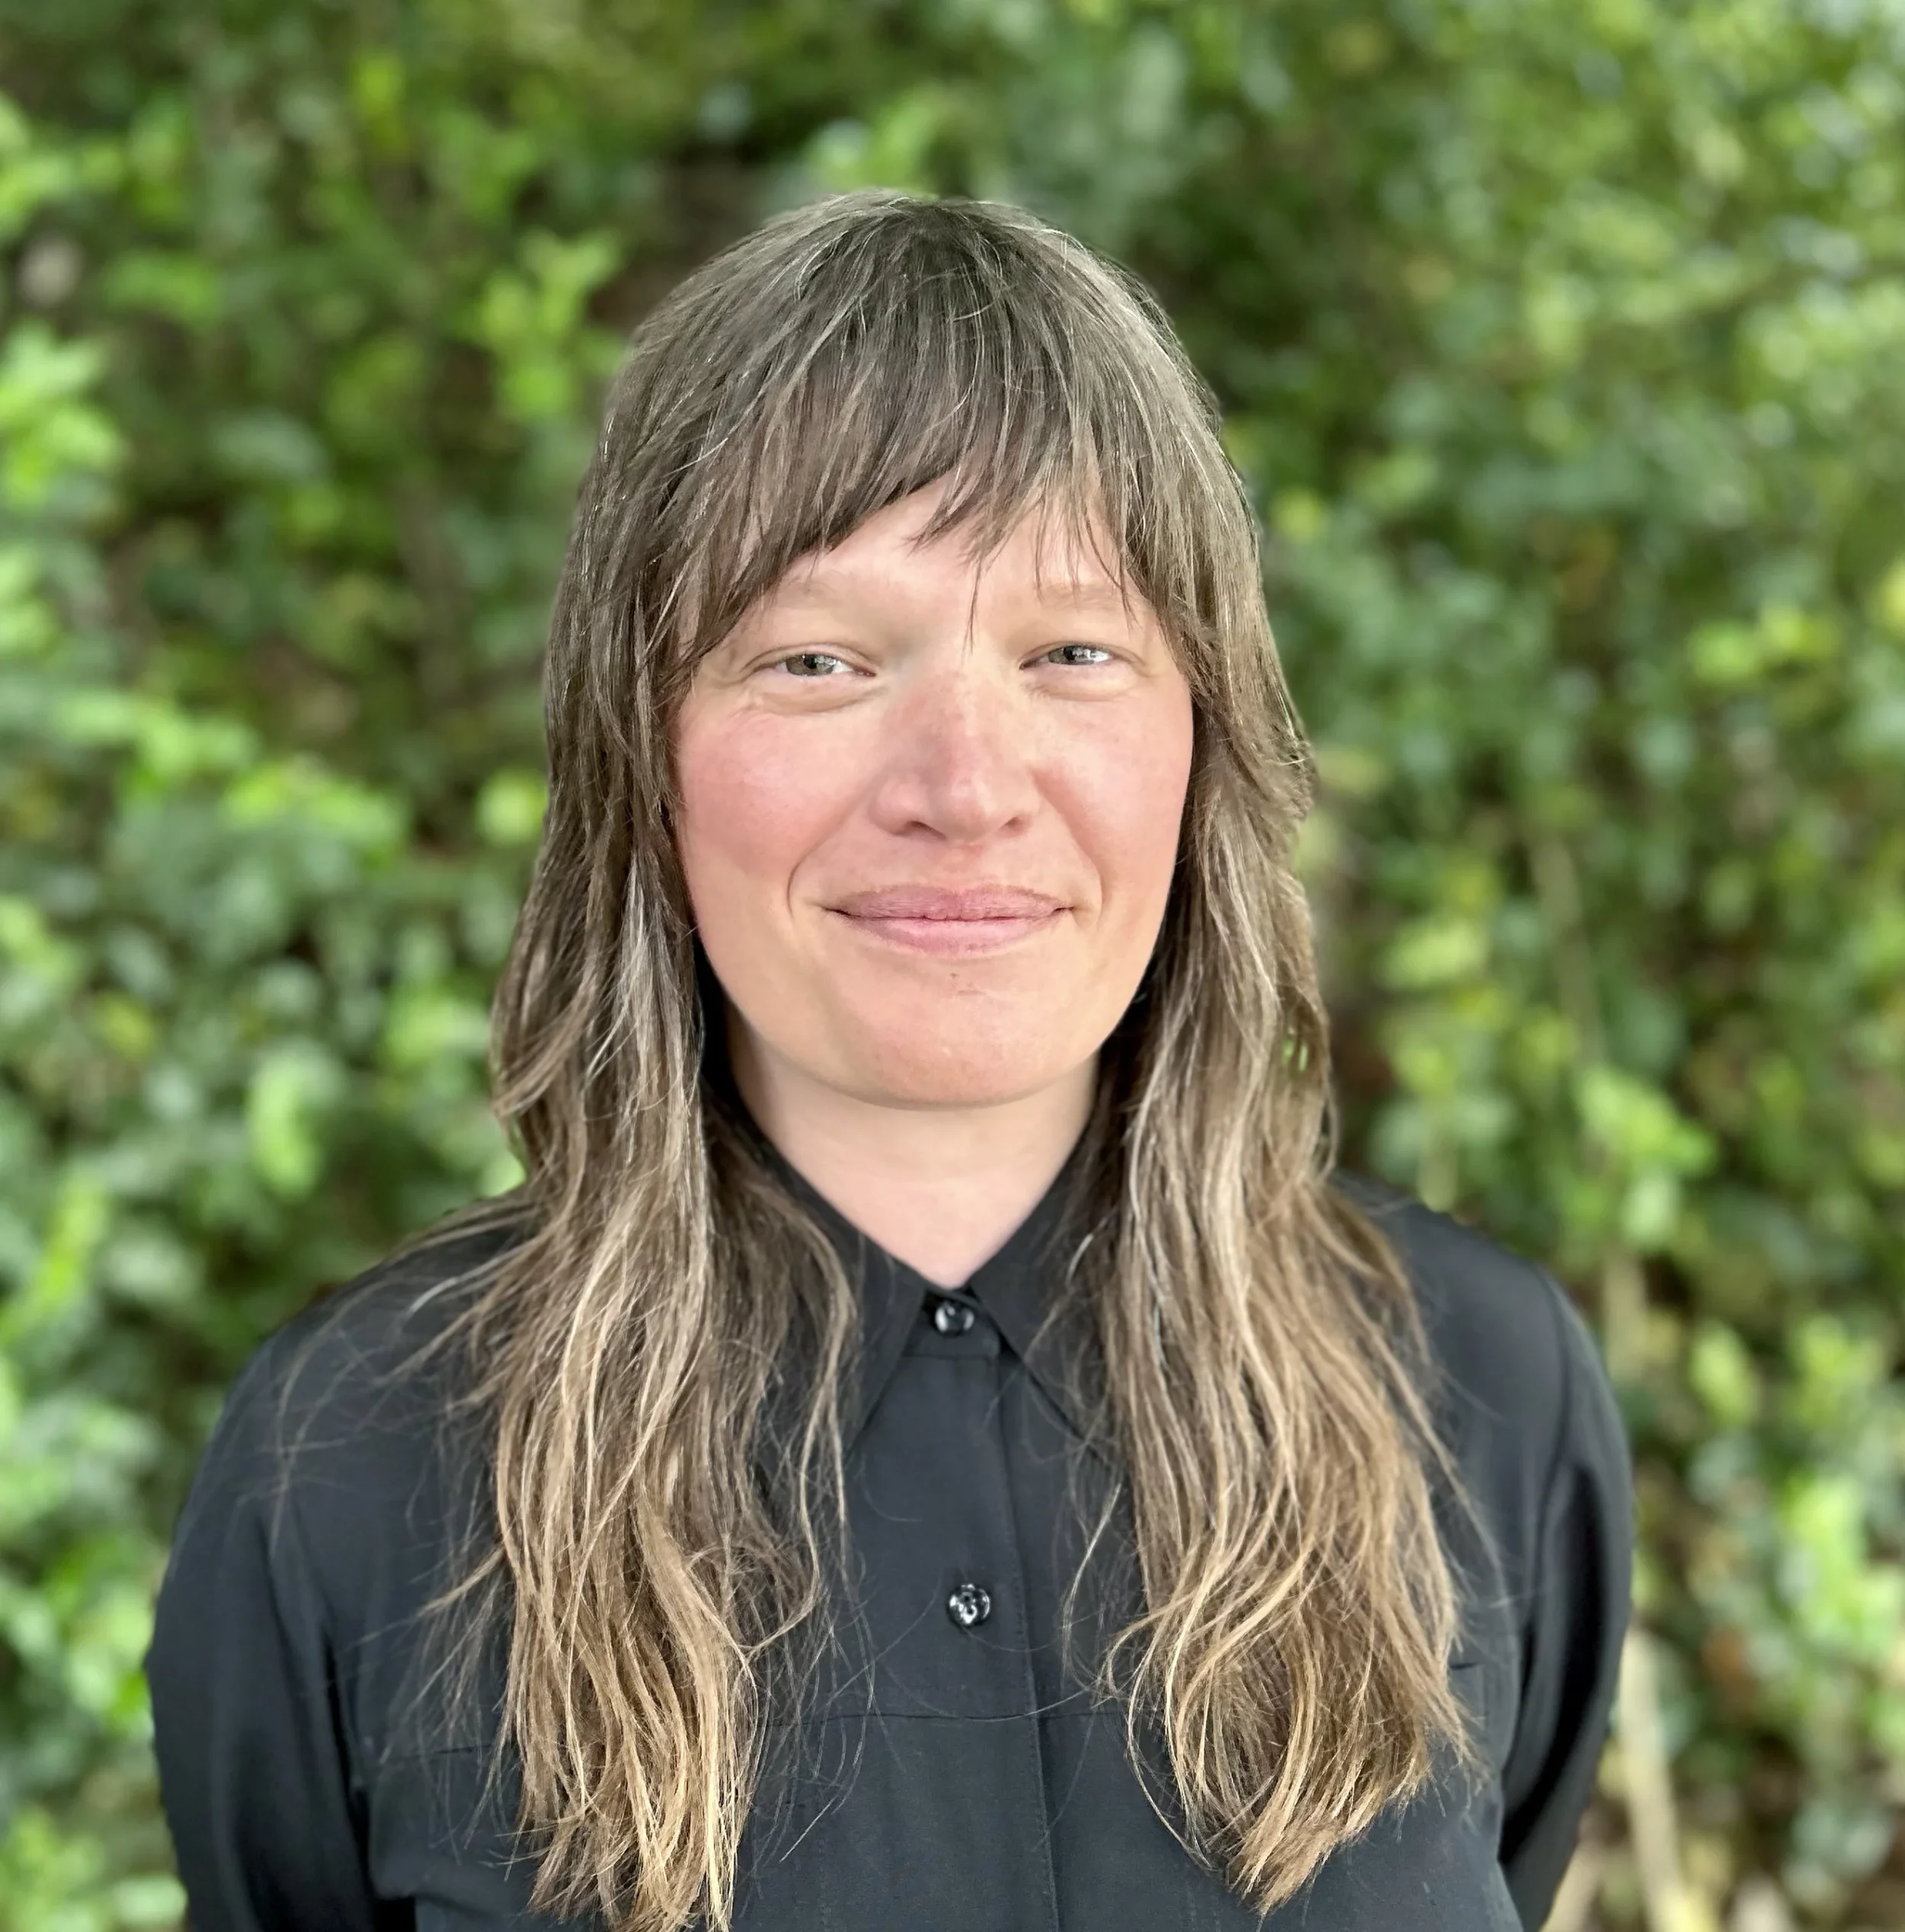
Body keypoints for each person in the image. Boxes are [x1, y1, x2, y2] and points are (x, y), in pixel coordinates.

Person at [144, 187, 1633, 1932]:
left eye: (1071, 650)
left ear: (1200, 736)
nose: (963, 781)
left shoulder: (1478, 1385)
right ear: (643, 751)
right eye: (817, 658)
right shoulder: (356, 1458)